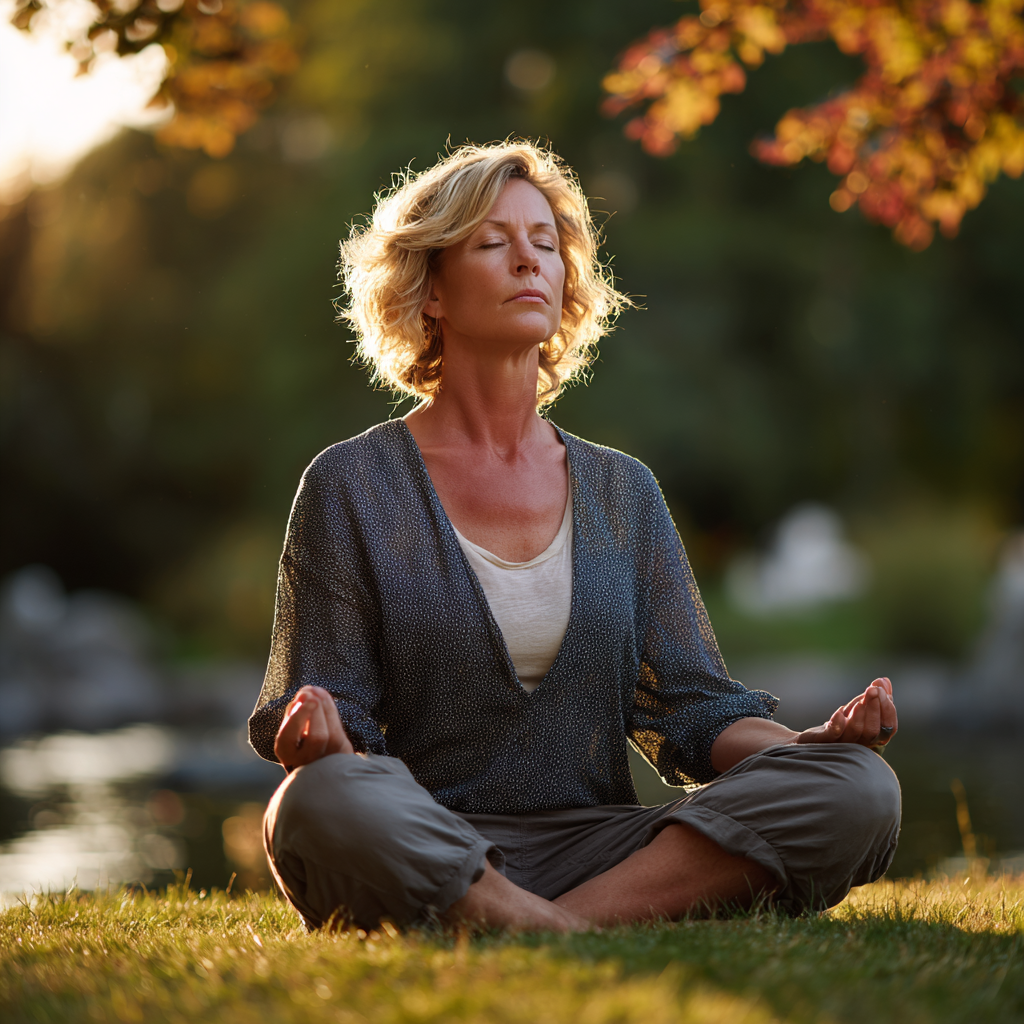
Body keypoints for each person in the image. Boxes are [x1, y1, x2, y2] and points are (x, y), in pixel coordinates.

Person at [248, 141, 900, 934]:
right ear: (431, 292)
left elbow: (694, 708)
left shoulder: (623, 492)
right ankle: (529, 917)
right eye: (492, 243)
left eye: (545, 243)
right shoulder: (351, 483)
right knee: (312, 800)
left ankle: (540, 923)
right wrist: (315, 737)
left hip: (607, 849)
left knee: (860, 786)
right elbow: (331, 718)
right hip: (425, 834)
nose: (529, 260)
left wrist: (805, 747)